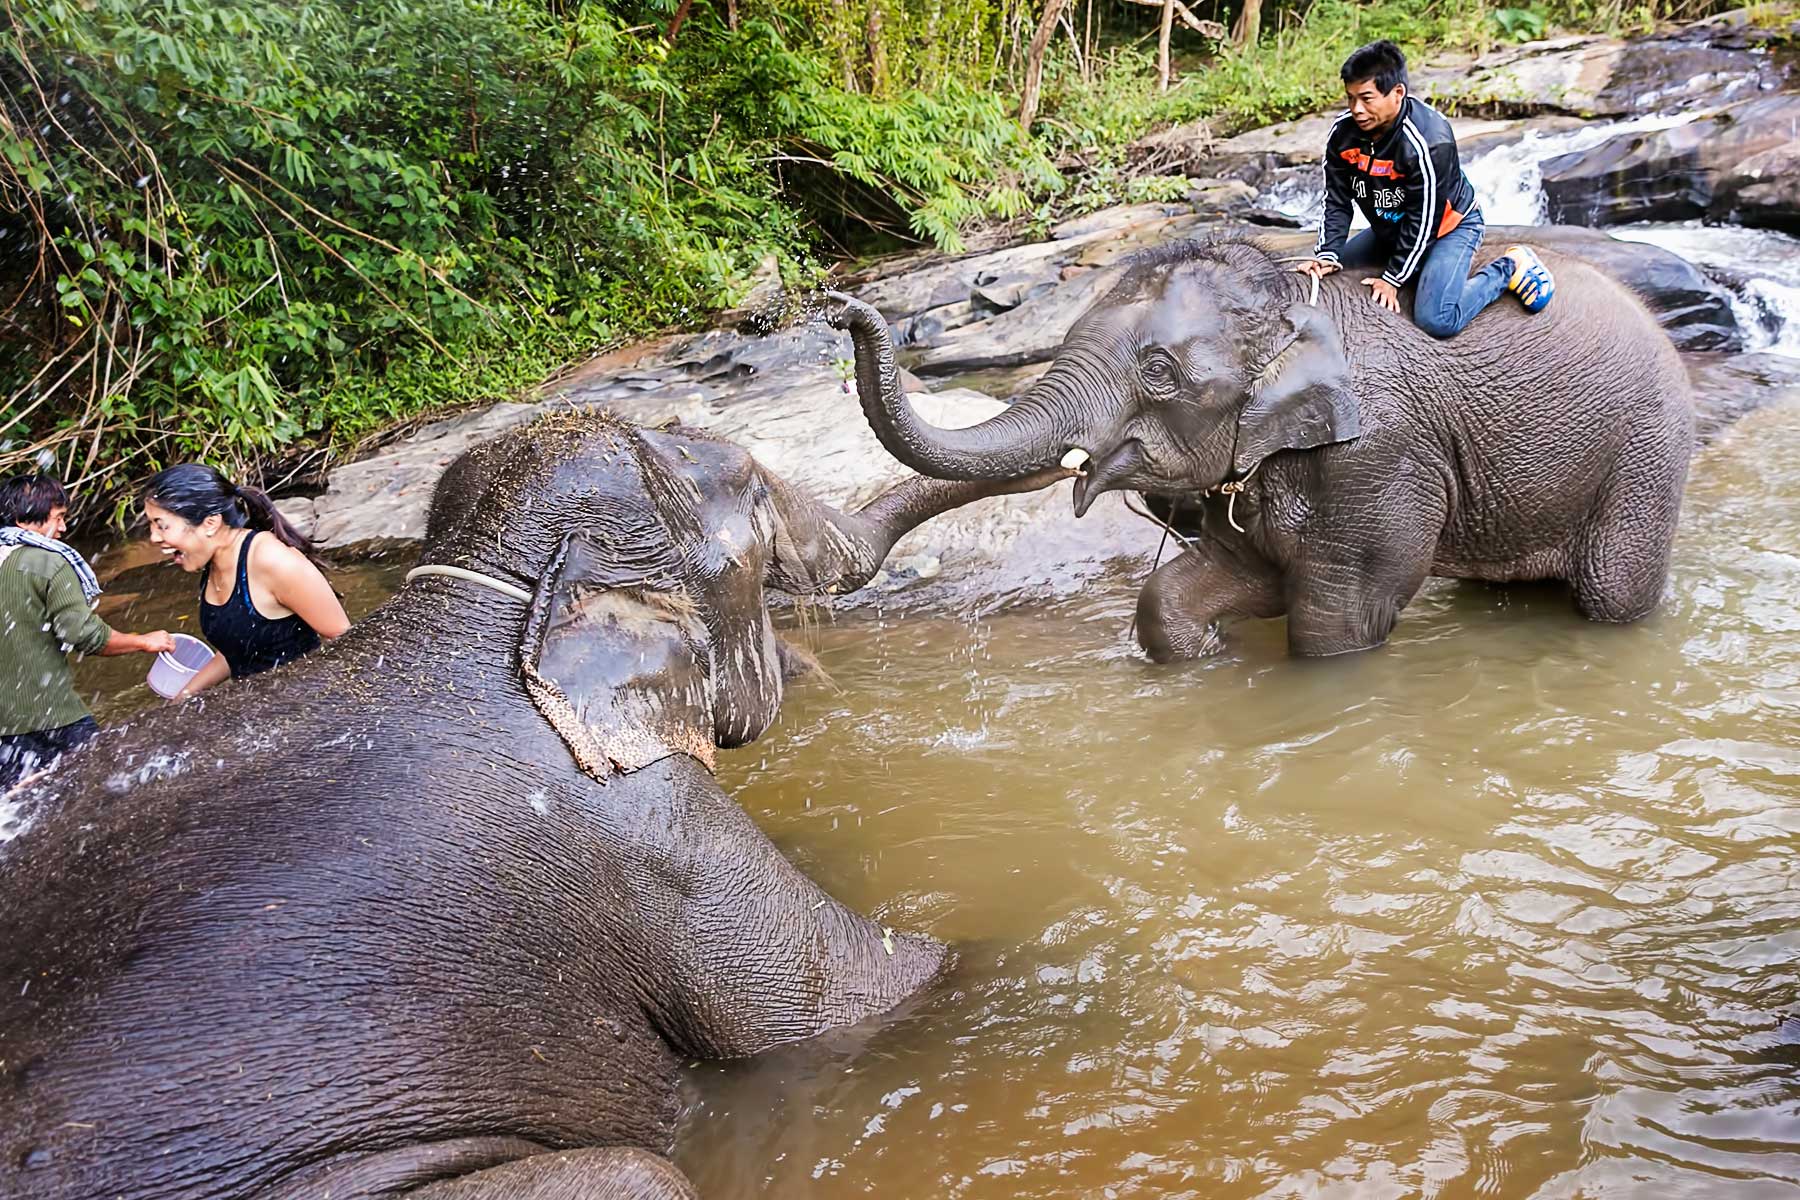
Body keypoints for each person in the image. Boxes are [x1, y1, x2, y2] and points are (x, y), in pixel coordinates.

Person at [1297, 39, 1555, 337]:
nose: (1357, 109)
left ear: (1397, 93)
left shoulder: (1429, 140)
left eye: (1367, 99)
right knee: (1326, 272)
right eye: (1350, 98)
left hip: (1449, 228)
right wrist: (1328, 253)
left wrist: (1393, 278)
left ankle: (1508, 268)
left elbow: (1425, 219)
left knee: (1437, 319)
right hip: (1389, 228)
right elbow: (1337, 201)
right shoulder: (1343, 135)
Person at [0, 473, 175, 788]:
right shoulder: (47, 563)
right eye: (59, 518)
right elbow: (83, 634)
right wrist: (143, 641)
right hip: (50, 716)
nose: (64, 528)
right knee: (110, 786)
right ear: (23, 519)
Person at [141, 464, 349, 698]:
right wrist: (185, 695)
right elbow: (240, 647)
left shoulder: (273, 561)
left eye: (162, 525)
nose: (154, 537)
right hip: (254, 711)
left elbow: (347, 640)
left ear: (210, 524)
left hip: (305, 706)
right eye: (151, 525)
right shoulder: (214, 561)